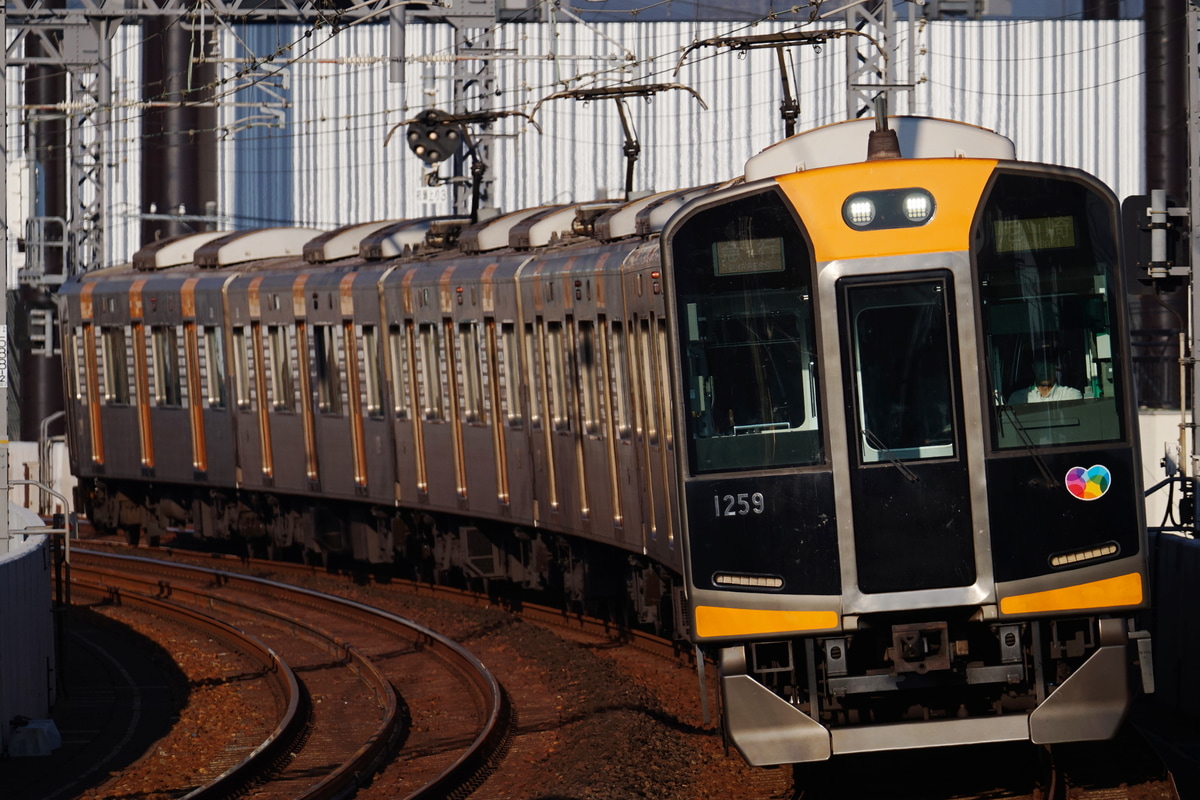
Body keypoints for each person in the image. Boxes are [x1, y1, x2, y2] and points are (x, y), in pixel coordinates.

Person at [1010, 363, 1082, 404]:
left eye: (1049, 363)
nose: (1045, 368)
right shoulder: (1018, 399)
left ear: (1056, 366)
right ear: (1034, 367)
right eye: (1040, 363)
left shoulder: (1071, 396)